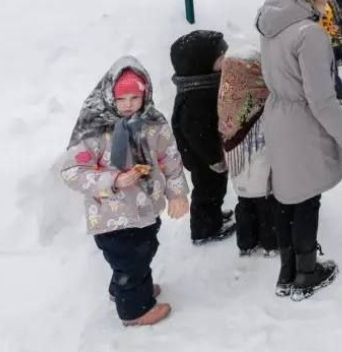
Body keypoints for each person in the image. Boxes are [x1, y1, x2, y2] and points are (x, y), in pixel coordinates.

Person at [256, 0, 342, 301]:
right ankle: (306, 272)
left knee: (286, 197)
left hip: (278, 117)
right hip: (303, 123)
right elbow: (321, 99)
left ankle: (287, 271)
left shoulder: (272, 22)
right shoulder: (308, 33)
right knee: (306, 199)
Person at [60, 59, 189, 327]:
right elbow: (73, 171)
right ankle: (134, 310)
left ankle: (123, 287)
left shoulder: (153, 124)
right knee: (129, 257)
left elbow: (170, 159)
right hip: (110, 213)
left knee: (144, 248)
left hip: (146, 208)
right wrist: (114, 179)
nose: (129, 104)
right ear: (110, 96)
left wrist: (177, 193)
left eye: (135, 97)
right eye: (121, 98)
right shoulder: (95, 129)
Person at [169, 31, 237, 246]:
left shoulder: (202, 84)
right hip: (202, 157)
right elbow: (199, 135)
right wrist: (214, 159)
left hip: (204, 154)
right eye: (221, 57)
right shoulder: (195, 98)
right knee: (208, 191)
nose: (226, 59)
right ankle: (204, 230)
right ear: (201, 63)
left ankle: (211, 216)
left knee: (212, 189)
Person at [218, 46, 280, 256]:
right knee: (266, 209)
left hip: (237, 168)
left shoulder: (226, 100)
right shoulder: (263, 100)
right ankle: (270, 243)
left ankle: (246, 243)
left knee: (244, 206)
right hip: (261, 168)